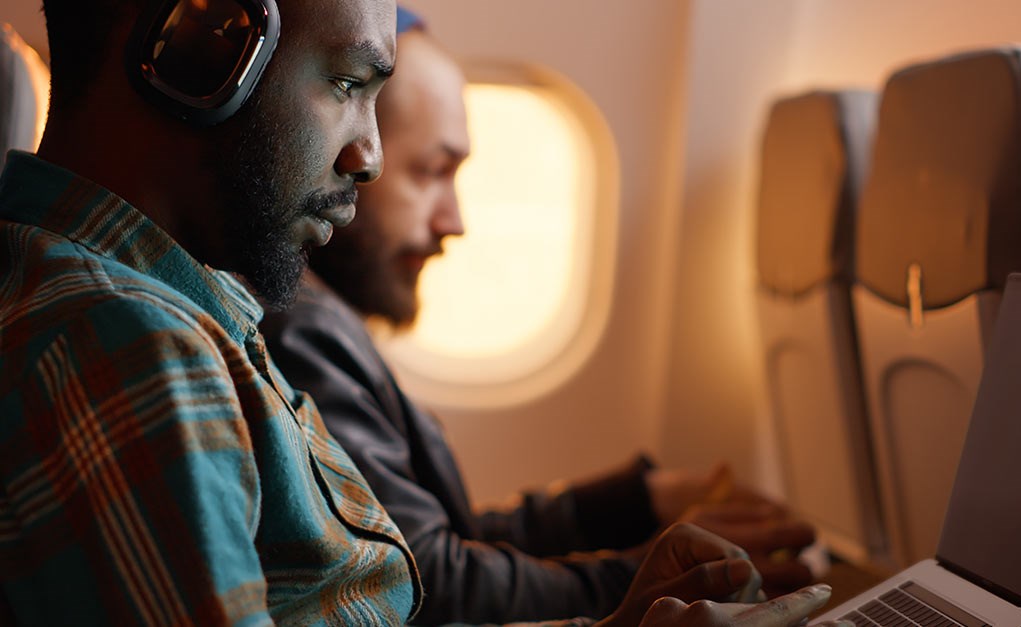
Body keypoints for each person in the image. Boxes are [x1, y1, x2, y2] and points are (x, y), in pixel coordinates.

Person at [0, 0, 848, 625]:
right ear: (196, 48)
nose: (367, 155)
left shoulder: (193, 314)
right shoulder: (119, 337)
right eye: (345, 83)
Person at [262, 9, 819, 625]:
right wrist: (656, 577)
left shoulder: (324, 318)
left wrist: (639, 500)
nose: (455, 222)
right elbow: (430, 577)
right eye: (430, 171)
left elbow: (454, 531)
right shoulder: (300, 328)